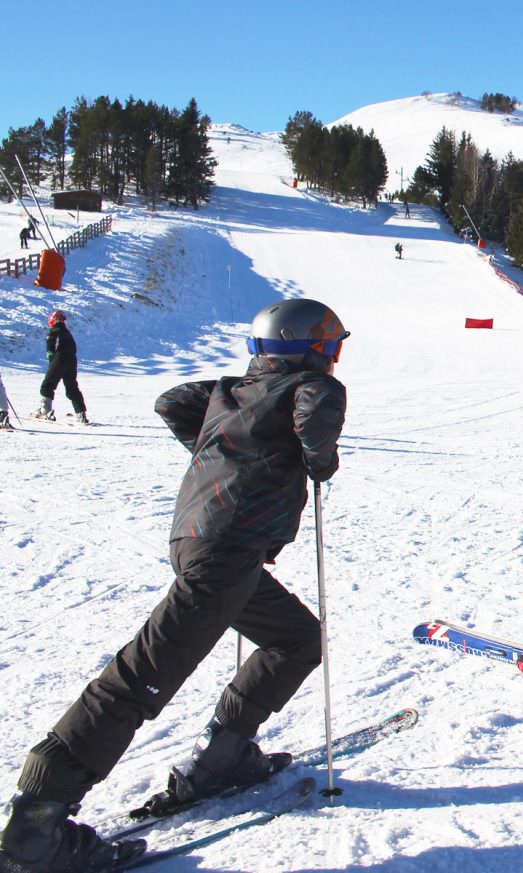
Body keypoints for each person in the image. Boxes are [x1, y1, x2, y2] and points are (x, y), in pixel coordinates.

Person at [0, 299, 349, 873]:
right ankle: (35, 826)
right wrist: (317, 456)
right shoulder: (311, 388)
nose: (334, 361)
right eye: (330, 348)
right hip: (224, 556)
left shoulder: (232, 392)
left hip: (203, 546)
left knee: (297, 638)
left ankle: (222, 756)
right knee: (139, 679)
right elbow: (315, 408)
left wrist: (225, 450)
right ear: (310, 351)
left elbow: (172, 401)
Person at [33, 311, 87, 424]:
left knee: (47, 385)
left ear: (53, 320)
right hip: (72, 361)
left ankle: (45, 410)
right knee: (72, 387)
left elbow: (50, 350)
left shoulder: (54, 331)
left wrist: (52, 361)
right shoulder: (68, 333)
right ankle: (81, 414)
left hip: (59, 359)